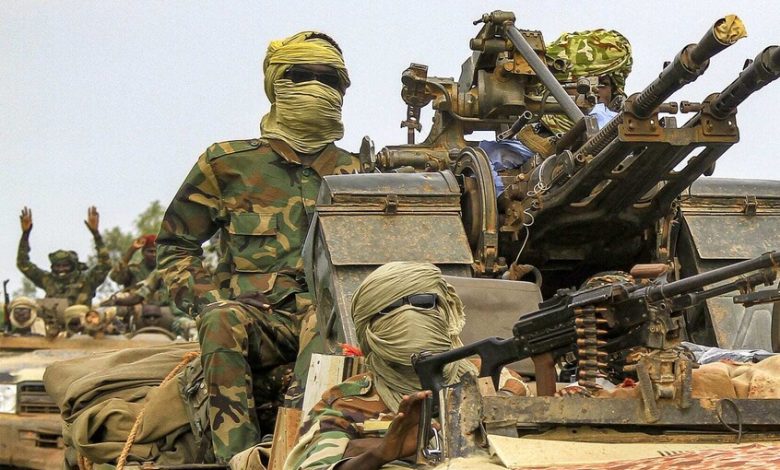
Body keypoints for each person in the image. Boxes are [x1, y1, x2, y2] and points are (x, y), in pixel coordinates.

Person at [156, 31, 360, 462]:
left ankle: (300, 451)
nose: (316, 88)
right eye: (301, 76)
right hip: (259, 323)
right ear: (276, 84)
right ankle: (241, 458)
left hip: (334, 321)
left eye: (329, 79)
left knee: (326, 318)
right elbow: (176, 246)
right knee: (220, 319)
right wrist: (209, 301)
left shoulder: (363, 174)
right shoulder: (227, 164)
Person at [284, 262, 528, 470]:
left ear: (444, 309)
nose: (409, 315)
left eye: (423, 303)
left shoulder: (493, 376)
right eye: (389, 310)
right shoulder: (345, 402)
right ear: (369, 326)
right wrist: (380, 454)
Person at [17, 206, 111, 306]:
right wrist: (25, 234)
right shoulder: (48, 279)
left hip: (80, 315)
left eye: (65, 265)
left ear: (73, 266)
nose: (61, 269)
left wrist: (96, 234)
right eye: (57, 266)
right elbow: (23, 264)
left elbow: (105, 265)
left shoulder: (86, 279)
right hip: (51, 316)